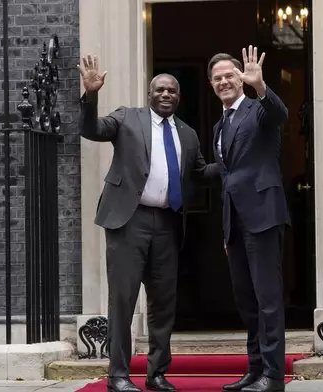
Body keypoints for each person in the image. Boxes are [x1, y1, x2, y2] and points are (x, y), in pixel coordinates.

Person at [77, 54, 220, 392]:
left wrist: (233, 163)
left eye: (172, 91)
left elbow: (200, 173)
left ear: (179, 97)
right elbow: (91, 129)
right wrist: (91, 96)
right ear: (150, 95)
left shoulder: (187, 134)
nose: (166, 95)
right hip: (130, 221)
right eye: (160, 90)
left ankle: (156, 373)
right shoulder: (128, 118)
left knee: (163, 303)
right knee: (123, 300)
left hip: (168, 224)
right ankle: (118, 375)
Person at [207, 46, 290, 392]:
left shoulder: (257, 110)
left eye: (230, 75)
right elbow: (229, 172)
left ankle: (273, 376)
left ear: (241, 77)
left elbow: (280, 114)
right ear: (211, 85)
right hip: (236, 224)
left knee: (268, 300)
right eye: (217, 78)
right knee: (247, 302)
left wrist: (261, 87)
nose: (224, 81)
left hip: (263, 217)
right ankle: (255, 370)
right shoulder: (219, 125)